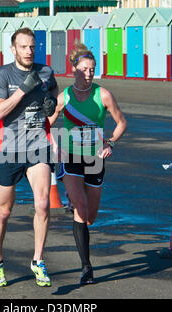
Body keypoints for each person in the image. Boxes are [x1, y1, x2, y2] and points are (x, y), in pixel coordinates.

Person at [48, 42, 127, 286]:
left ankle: (76, 201)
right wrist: (55, 145)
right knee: (81, 211)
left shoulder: (103, 95)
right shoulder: (65, 97)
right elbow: (46, 124)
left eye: (92, 69)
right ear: (74, 70)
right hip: (70, 158)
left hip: (95, 159)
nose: (89, 73)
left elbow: (122, 122)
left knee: (91, 216)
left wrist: (110, 143)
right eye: (84, 69)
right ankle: (86, 267)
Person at [0, 27, 58, 287]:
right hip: (8, 149)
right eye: (23, 47)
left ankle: (38, 260)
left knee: (42, 204)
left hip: (37, 145)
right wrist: (22, 91)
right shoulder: (2, 75)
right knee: (4, 211)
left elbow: (53, 95)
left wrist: (52, 106)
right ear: (14, 49)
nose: (29, 51)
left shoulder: (46, 71)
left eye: (32, 46)